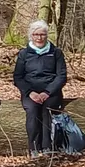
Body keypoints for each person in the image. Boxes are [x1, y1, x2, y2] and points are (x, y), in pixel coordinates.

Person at [11, 20, 70, 156]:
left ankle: (47, 147)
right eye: (36, 34)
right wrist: (30, 92)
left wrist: (47, 92)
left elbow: (61, 76)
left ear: (47, 35)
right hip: (30, 92)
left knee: (47, 110)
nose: (39, 37)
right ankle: (34, 148)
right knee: (32, 110)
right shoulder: (24, 54)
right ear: (31, 35)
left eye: (42, 34)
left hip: (51, 92)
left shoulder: (56, 52)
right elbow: (18, 77)